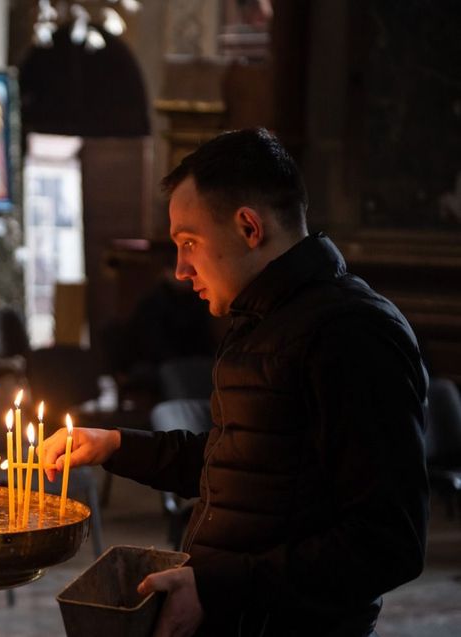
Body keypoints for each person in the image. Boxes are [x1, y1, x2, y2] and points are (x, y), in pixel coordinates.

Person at [43, 129, 428, 636]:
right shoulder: (263, 323)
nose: (180, 269)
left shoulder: (352, 332)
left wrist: (217, 585)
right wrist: (113, 445)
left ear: (249, 226)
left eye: (189, 242)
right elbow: (239, 466)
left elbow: (387, 542)